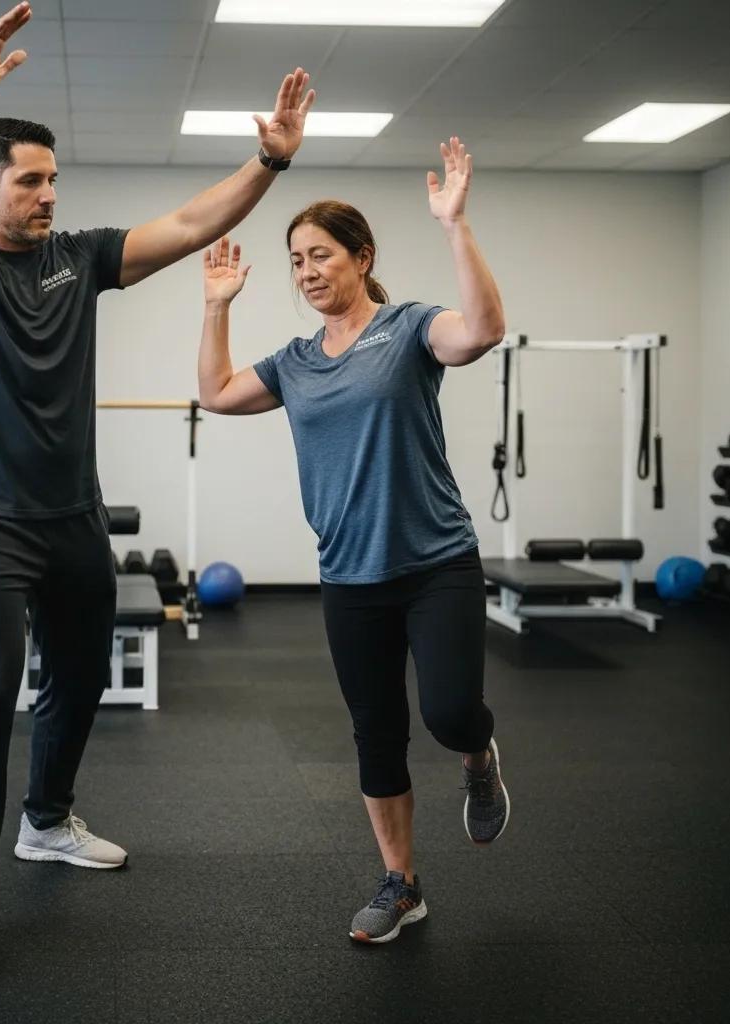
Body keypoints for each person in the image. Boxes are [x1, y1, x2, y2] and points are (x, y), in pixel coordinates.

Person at [0, 1, 315, 975]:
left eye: (53, 180)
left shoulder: (80, 259)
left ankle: (47, 818)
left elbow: (196, 218)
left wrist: (272, 161)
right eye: (29, 182)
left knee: (79, 675)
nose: (47, 195)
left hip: (70, 515)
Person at [196, 137, 510, 944]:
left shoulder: (409, 328)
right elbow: (219, 396)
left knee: (447, 714)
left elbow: (481, 331)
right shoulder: (296, 361)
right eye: (296, 259)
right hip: (349, 574)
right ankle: (401, 884)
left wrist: (454, 224)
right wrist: (217, 304)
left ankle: (479, 761)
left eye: (320, 254)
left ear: (361, 257)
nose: (306, 271)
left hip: (437, 561)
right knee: (377, 734)